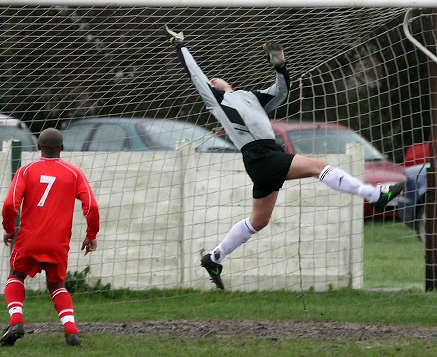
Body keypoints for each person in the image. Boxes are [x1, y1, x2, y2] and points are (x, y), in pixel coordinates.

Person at [166, 26, 404, 290]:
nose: (212, 81)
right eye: (210, 82)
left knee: (259, 221)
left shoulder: (250, 97)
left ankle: (214, 258)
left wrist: (280, 67)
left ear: (228, 82)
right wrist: (180, 45)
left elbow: (280, 92)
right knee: (318, 166)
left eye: (215, 79)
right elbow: (195, 74)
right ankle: (375, 196)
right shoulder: (216, 100)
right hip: (259, 156)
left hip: (267, 157)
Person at [0, 128, 100, 346]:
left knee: (16, 276)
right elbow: (91, 205)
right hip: (58, 243)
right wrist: (91, 235)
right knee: (57, 285)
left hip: (29, 240)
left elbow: (9, 204)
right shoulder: (74, 173)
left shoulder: (26, 171)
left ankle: (16, 321)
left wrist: (9, 229)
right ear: (62, 148)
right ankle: (71, 330)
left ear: (38, 147)